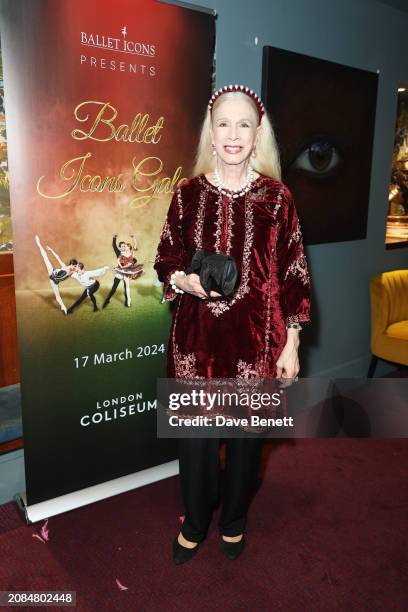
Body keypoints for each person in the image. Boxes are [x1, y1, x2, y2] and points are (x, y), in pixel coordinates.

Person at [154, 84, 312, 564]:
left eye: (244, 124)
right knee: (196, 443)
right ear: (211, 130)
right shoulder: (186, 195)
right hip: (195, 343)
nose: (233, 134)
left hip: (257, 343)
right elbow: (165, 258)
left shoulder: (278, 198)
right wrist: (183, 279)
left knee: (245, 444)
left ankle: (235, 521)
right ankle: (196, 522)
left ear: (257, 132)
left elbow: (295, 273)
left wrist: (293, 344)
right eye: (224, 123)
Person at [35, 234, 77, 315]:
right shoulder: (65, 267)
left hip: (54, 282)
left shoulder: (73, 271)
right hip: (52, 273)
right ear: (71, 265)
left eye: (75, 267)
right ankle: (38, 243)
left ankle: (64, 308)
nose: (74, 268)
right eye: (74, 266)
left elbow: (78, 271)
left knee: (58, 297)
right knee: (45, 257)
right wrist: (51, 250)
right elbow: (58, 257)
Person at [103, 235, 143, 308]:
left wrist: (134, 239)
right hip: (119, 272)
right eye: (122, 246)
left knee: (126, 287)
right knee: (114, 288)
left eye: (125, 246)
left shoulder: (129, 252)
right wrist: (114, 238)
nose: (124, 247)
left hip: (126, 272)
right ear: (120, 247)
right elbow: (114, 246)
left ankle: (127, 302)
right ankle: (107, 299)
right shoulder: (119, 252)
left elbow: (133, 252)